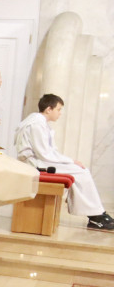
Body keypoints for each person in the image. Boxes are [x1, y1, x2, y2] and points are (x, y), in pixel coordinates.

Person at [14, 94, 114, 231]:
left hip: (40, 161)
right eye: (59, 109)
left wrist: (71, 162)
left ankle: (96, 214)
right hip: (36, 164)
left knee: (80, 170)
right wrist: (72, 161)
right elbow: (44, 154)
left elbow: (50, 152)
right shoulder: (36, 124)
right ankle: (96, 215)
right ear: (49, 109)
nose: (60, 114)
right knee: (81, 171)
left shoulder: (41, 123)